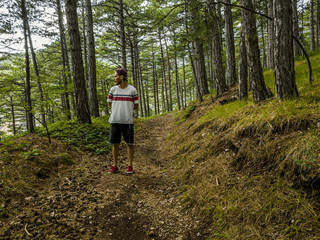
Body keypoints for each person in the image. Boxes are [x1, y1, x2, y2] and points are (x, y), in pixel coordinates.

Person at [107, 68, 139, 174]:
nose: (114, 78)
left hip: (128, 121)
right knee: (115, 144)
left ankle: (130, 166)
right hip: (115, 121)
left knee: (130, 144)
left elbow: (136, 106)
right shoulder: (113, 90)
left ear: (122, 77)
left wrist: (125, 111)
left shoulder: (132, 90)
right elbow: (109, 103)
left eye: (115, 76)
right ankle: (115, 165)